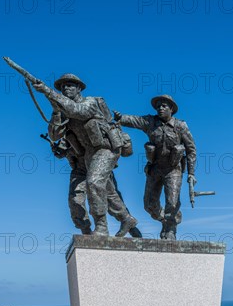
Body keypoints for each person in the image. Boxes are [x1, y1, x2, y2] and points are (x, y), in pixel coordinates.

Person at [34, 73, 137, 236]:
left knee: (94, 183)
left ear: (79, 88)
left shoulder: (91, 102)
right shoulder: (63, 111)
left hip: (105, 150)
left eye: (70, 85)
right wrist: (55, 110)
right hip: (84, 157)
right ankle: (121, 220)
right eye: (62, 87)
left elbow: (78, 111)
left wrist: (48, 91)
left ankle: (102, 227)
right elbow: (54, 135)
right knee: (84, 197)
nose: (65, 88)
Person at [113, 95, 196, 240]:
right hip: (155, 168)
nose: (160, 108)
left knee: (172, 202)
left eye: (164, 106)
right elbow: (135, 121)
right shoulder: (150, 122)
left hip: (173, 169)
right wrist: (121, 118)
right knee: (149, 205)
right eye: (158, 106)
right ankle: (167, 219)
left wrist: (191, 173)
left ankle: (170, 229)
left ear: (171, 109)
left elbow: (191, 150)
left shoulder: (180, 126)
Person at [48, 111, 141, 237]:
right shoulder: (67, 130)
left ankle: (129, 224)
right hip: (80, 168)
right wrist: (59, 151)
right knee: (75, 200)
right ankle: (87, 232)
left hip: (97, 165)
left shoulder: (92, 119)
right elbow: (64, 149)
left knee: (110, 197)